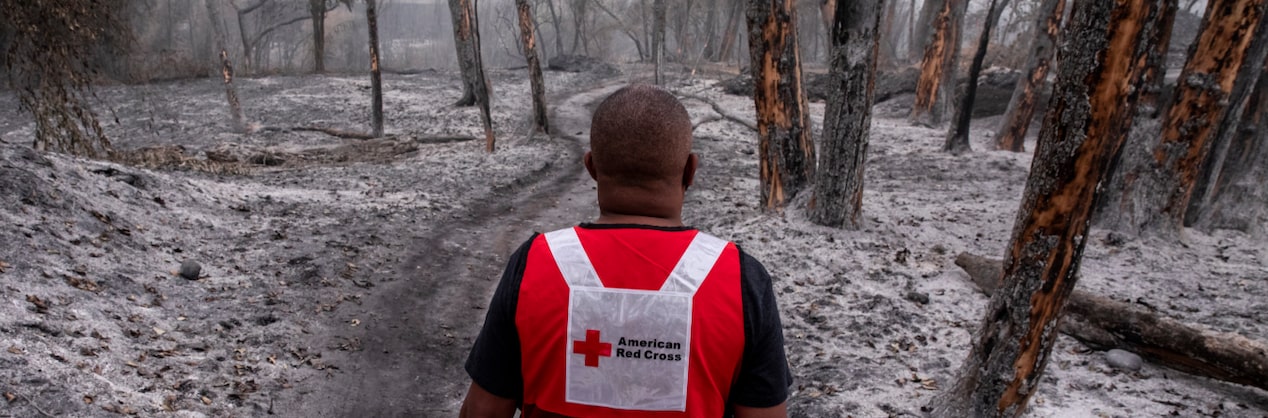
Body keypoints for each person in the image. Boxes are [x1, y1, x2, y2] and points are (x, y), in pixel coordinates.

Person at [459, 84, 792, 418]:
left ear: (590, 167)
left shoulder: (534, 263)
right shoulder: (740, 278)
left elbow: (482, 412)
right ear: (690, 171)